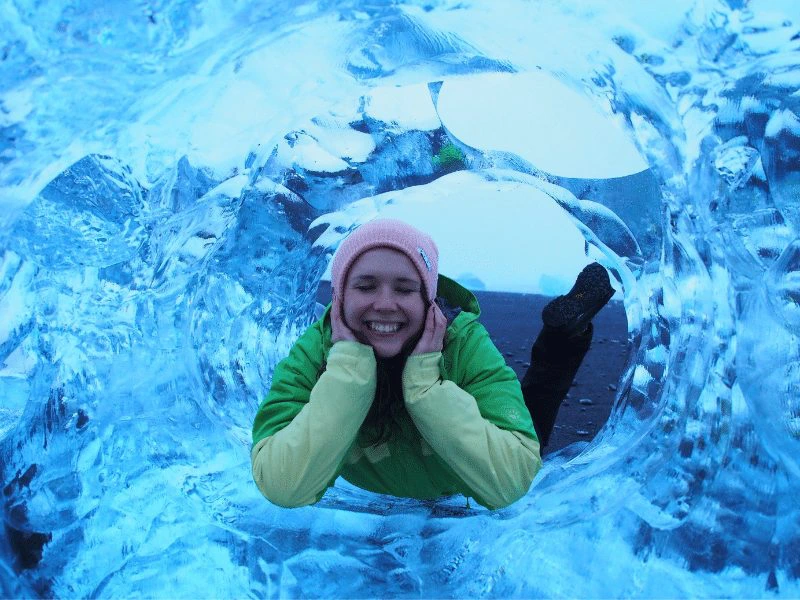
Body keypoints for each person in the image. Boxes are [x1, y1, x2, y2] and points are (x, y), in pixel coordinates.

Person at [251, 218, 613, 510]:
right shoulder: (317, 350)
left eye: (405, 289)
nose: (385, 304)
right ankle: (564, 335)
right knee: (535, 408)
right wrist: (347, 369)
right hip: (406, 481)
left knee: (531, 421)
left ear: (429, 299)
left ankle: (563, 336)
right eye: (366, 286)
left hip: (457, 480)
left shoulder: (461, 341)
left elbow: (513, 479)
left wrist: (425, 384)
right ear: (340, 295)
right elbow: (282, 485)